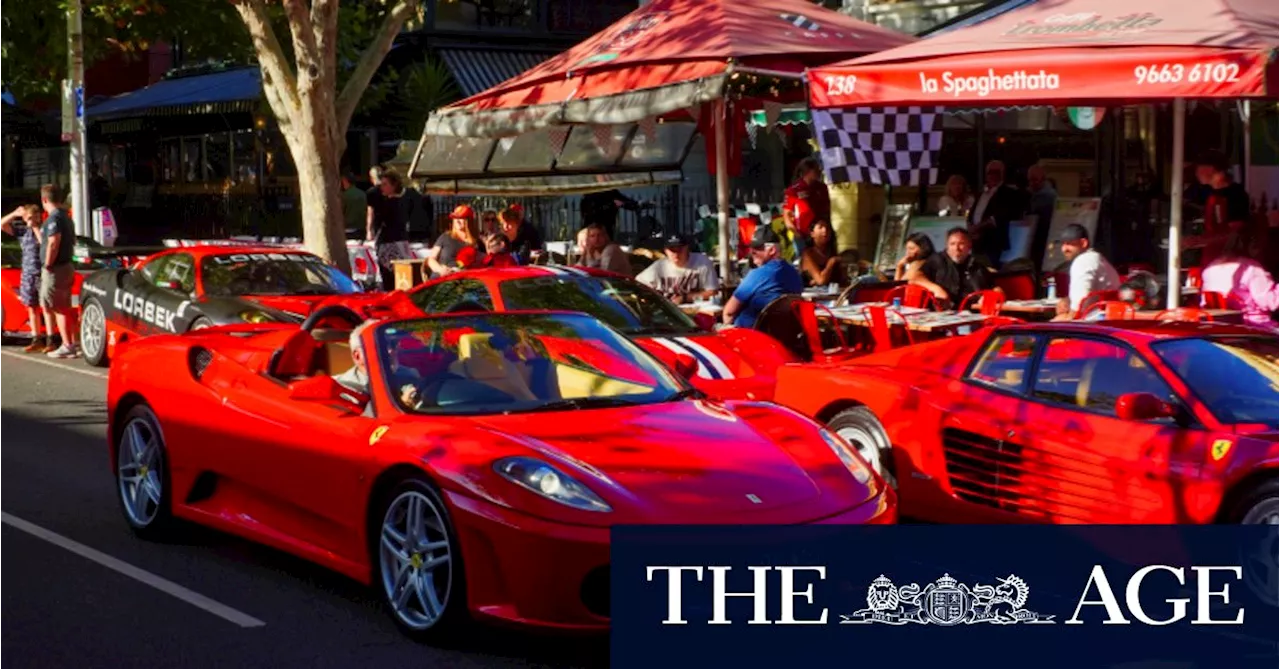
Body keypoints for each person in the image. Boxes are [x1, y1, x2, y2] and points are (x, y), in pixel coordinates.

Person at [723, 226, 803, 329]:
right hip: (784, 336)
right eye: (751, 248)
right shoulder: (794, 273)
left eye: (758, 248)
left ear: (772, 250)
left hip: (750, 337)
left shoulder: (758, 274)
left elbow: (729, 312)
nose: (752, 252)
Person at [1201, 228, 1280, 331]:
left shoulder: (1211, 267)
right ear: (1252, 244)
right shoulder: (1251, 268)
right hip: (1255, 327)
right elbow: (1270, 302)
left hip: (1222, 326)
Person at [1187, 149, 1253, 268]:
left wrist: (1199, 240)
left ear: (1210, 168)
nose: (1196, 174)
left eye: (1198, 169)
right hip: (1209, 256)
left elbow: (1234, 233)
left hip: (1230, 261)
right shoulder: (1206, 192)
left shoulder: (1236, 194)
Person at [37, 184, 79, 358]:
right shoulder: (66, 217)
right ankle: (72, 341)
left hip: (57, 268)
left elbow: (54, 242)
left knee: (58, 307)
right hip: (66, 265)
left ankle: (67, 344)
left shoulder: (54, 219)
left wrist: (48, 263)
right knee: (65, 305)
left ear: (44, 200)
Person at [0, 204, 47, 351]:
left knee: (46, 306)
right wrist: (15, 213)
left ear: (39, 216)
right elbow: (2, 225)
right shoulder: (22, 232)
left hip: (42, 273)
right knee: (31, 306)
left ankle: (50, 338)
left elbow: (43, 244)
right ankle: (36, 338)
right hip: (27, 273)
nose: (31, 220)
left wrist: (35, 227)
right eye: (28, 217)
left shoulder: (45, 229)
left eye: (34, 217)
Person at [911, 227, 993, 309]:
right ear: (947, 246)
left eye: (961, 244)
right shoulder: (937, 260)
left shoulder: (976, 264)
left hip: (974, 312)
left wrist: (990, 297)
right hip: (944, 312)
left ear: (969, 246)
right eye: (952, 244)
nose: (956, 248)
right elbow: (915, 278)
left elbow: (994, 287)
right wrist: (936, 289)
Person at [1052, 223, 1121, 321]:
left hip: (1091, 323)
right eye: (1063, 244)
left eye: (1069, 244)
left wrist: (1065, 319)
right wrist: (1068, 299)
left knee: (1044, 330)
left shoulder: (1082, 262)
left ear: (1083, 243)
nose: (1064, 249)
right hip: (1106, 318)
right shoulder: (1096, 258)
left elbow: (1079, 307)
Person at [967, 160, 1025, 269]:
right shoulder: (980, 193)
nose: (993, 175)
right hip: (976, 242)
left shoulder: (1009, 193)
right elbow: (972, 214)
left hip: (994, 243)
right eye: (990, 172)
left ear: (1003, 174)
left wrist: (978, 227)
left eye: (997, 172)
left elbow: (1000, 217)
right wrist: (970, 227)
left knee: (993, 272)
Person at [636, 233, 719, 304]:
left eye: (680, 249)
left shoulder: (702, 262)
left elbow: (712, 292)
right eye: (672, 250)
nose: (676, 254)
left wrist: (685, 298)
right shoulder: (659, 266)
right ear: (665, 251)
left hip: (696, 310)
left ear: (687, 248)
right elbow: (638, 284)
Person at [366, 169, 410, 290]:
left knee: (394, 279)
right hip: (390, 243)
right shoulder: (395, 201)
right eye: (381, 184)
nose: (382, 187)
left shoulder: (394, 202)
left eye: (385, 184)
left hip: (393, 244)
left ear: (394, 185)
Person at [426, 205, 482, 277]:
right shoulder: (445, 236)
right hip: (441, 278)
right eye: (455, 218)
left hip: (466, 280)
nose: (457, 221)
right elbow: (431, 259)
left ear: (469, 221)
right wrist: (440, 269)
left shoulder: (476, 241)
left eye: (461, 218)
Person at [1025, 164, 1057, 265]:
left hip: (1043, 241)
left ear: (1043, 179)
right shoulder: (1030, 195)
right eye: (1029, 180)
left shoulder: (1049, 198)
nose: (1032, 183)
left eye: (1034, 180)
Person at [799, 220, 845, 288]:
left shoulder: (832, 252)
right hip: (814, 296)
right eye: (820, 227)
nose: (825, 230)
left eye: (827, 228)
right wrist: (831, 262)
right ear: (812, 234)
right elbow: (821, 281)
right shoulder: (808, 255)